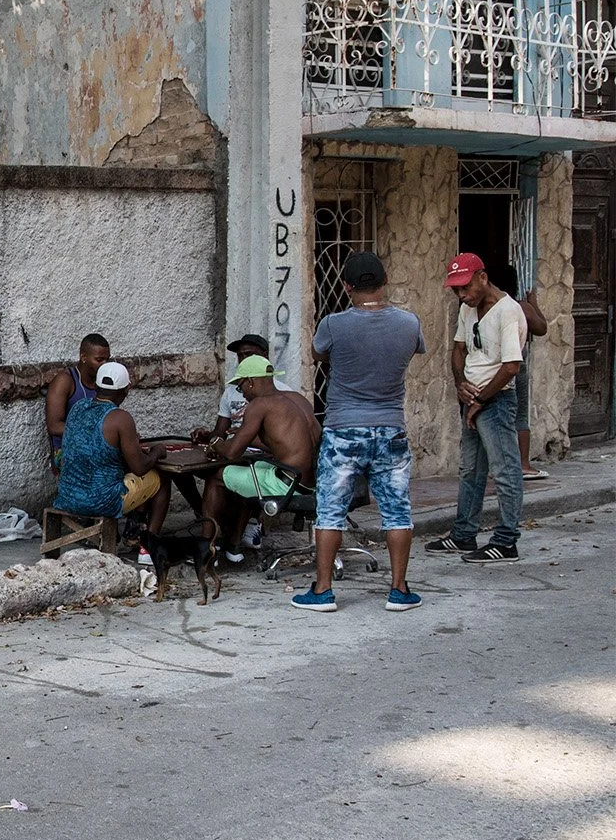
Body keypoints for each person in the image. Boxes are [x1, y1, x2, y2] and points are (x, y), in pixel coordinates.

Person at [294, 251, 425, 612]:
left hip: (343, 430)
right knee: (397, 511)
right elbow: (412, 350)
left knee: (330, 510)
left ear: (347, 286)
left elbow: (318, 353)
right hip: (391, 428)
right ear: (385, 283)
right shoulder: (409, 323)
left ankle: (323, 590)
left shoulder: (334, 325)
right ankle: (399, 589)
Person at [426, 252, 527, 563]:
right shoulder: (467, 309)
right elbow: (458, 349)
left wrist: (481, 400)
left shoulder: (507, 311)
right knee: (471, 469)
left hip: (495, 400)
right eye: (457, 289)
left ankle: (506, 540)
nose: (462, 294)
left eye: (465, 287)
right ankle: (464, 533)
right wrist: (461, 385)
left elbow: (511, 367)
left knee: (505, 470)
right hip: (471, 399)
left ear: (483, 278)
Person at [199, 355, 321, 562]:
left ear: (251, 381)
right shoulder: (296, 398)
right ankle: (234, 546)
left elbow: (231, 453)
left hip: (288, 484)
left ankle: (205, 550)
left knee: (216, 476)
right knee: (251, 469)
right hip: (312, 482)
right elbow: (287, 443)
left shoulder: (260, 405)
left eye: (241, 387)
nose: (242, 393)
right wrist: (245, 439)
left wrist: (214, 443)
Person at [56, 360, 171, 545]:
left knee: (124, 474)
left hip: (67, 495)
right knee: (162, 477)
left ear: (98, 386)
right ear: (126, 390)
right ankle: (149, 546)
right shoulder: (120, 418)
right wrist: (157, 452)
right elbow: (140, 467)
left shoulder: (78, 408)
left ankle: (133, 534)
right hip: (103, 501)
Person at [492, 262, 550, 481]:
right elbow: (541, 328)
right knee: (520, 415)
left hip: (491, 368)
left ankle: (496, 463)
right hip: (516, 364)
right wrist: (533, 304)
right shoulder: (519, 306)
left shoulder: (486, 307)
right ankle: (523, 464)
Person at [46, 334, 110, 472]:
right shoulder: (65, 381)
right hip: (66, 451)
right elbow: (54, 426)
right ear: (84, 357)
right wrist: (96, 432)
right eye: (99, 360)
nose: (104, 365)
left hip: (97, 446)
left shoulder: (104, 381)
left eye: (107, 360)